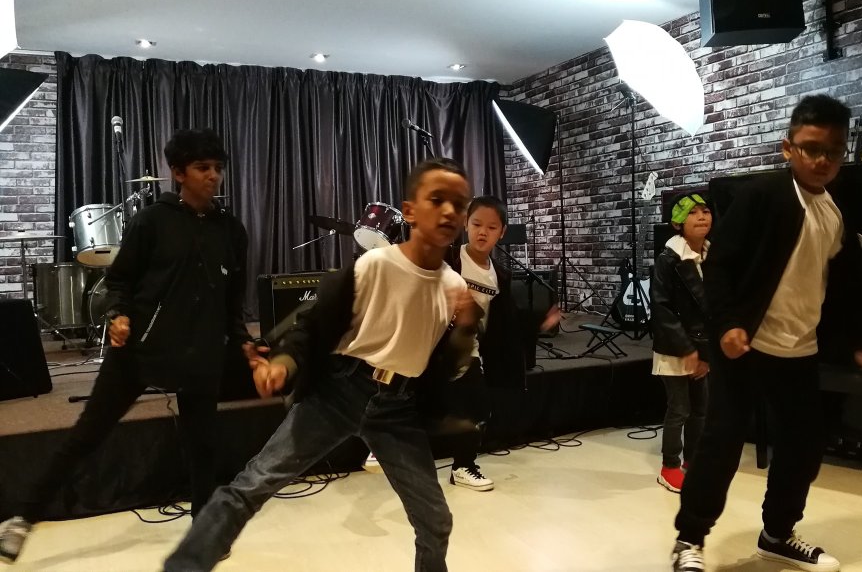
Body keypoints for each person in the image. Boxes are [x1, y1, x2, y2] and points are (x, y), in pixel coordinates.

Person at [163, 157, 480, 572]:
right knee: (254, 484)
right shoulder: (376, 265)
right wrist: (285, 363)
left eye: (459, 204)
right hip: (343, 391)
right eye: (437, 199)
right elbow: (314, 325)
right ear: (409, 211)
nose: (449, 211)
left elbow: (447, 367)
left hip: (398, 408)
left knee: (436, 519)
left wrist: (465, 327)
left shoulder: (453, 285)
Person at [0, 129, 255, 564]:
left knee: (203, 446)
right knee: (86, 436)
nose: (213, 176)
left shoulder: (231, 230)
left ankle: (204, 530)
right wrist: (118, 315)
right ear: (178, 173)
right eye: (202, 168)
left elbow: (234, 300)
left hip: (201, 355)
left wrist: (244, 341)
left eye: (218, 168)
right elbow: (118, 281)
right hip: (139, 352)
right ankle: (23, 518)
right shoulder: (151, 222)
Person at [669, 95, 862, 572]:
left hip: (800, 349)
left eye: (834, 150)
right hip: (746, 345)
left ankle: (777, 534)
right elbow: (720, 265)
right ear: (788, 148)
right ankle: (689, 539)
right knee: (722, 442)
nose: (822, 160)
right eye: (811, 148)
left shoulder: (838, 207)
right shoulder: (762, 196)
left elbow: (847, 281)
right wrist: (728, 324)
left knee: (803, 446)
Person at [363, 195, 560, 491]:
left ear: (502, 232)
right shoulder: (448, 257)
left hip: (467, 350)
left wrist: (539, 322)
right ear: (466, 224)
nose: (483, 232)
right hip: (426, 343)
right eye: (477, 224)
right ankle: (382, 442)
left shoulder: (499, 275)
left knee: (477, 409)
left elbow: (507, 318)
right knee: (401, 392)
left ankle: (463, 467)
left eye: (491, 227)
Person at [650, 193, 712, 493]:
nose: (701, 216)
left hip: (702, 348)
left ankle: (694, 461)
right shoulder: (668, 259)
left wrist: (706, 354)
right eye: (692, 212)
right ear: (677, 223)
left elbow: (715, 308)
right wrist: (687, 349)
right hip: (675, 348)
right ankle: (669, 467)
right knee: (679, 410)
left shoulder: (712, 256)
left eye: (705, 211)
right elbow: (661, 308)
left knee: (701, 409)